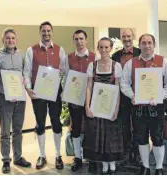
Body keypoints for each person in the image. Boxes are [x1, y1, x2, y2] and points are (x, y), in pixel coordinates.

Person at [121, 34, 167, 175]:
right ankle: (145, 167)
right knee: (141, 137)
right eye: (144, 43)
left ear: (154, 44)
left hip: (156, 107)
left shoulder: (164, 62)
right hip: (138, 107)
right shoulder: (130, 64)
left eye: (149, 42)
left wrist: (160, 97)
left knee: (158, 137)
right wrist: (132, 96)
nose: (147, 46)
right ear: (139, 45)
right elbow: (124, 83)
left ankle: (159, 168)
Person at [23, 21, 66, 170]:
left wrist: (61, 72)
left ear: (52, 32)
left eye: (48, 31)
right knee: (40, 123)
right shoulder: (31, 50)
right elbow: (26, 72)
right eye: (43, 31)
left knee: (56, 122)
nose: (46, 33)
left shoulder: (60, 50)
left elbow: (65, 70)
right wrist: (28, 89)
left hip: (55, 91)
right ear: (40, 32)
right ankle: (42, 155)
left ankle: (58, 155)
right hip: (38, 91)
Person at [0, 27, 31, 174]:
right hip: (5, 98)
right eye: (7, 38)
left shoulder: (21, 54)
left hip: (20, 99)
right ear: (3, 40)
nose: (10, 40)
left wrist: (26, 86)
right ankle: (6, 160)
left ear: (16, 40)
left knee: (18, 130)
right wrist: (7, 91)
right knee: (5, 131)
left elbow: (25, 74)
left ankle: (18, 157)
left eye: (13, 38)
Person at [83, 37, 123, 175]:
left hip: (110, 107)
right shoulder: (92, 66)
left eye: (106, 47)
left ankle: (112, 165)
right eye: (101, 47)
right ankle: (105, 166)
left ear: (111, 48)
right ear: (98, 48)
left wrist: (116, 110)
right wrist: (87, 107)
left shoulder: (116, 66)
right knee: (99, 136)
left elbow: (118, 89)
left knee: (111, 137)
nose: (104, 50)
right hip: (97, 107)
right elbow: (89, 87)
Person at [64, 30, 96, 172]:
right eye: (76, 39)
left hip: (92, 98)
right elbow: (66, 78)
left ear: (86, 40)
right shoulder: (68, 58)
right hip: (75, 98)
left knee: (91, 128)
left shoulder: (95, 57)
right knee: (76, 128)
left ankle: (91, 157)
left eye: (81, 38)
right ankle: (77, 157)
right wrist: (66, 96)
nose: (79, 41)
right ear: (74, 41)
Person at [111, 28, 141, 166]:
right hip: (121, 96)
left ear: (133, 37)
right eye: (124, 36)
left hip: (139, 94)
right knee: (124, 125)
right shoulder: (115, 56)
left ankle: (138, 153)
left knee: (138, 125)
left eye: (129, 36)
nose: (127, 38)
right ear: (121, 38)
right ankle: (126, 153)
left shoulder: (140, 53)